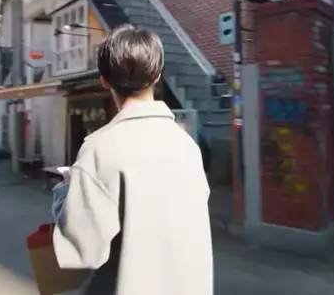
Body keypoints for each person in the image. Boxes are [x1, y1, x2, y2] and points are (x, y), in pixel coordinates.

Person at [51, 24, 213, 295]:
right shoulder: (187, 145)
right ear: (157, 76)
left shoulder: (99, 149)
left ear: (104, 80)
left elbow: (82, 250)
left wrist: (64, 193)